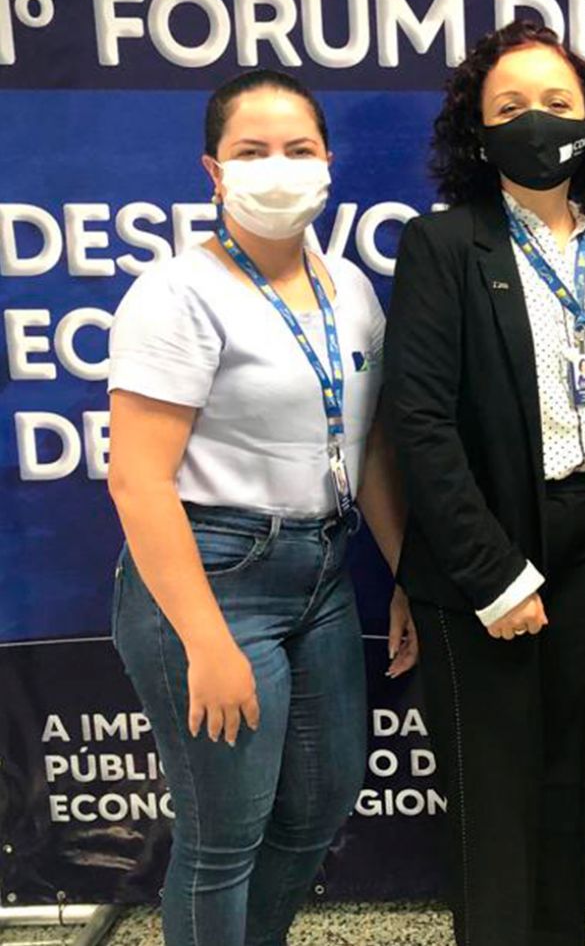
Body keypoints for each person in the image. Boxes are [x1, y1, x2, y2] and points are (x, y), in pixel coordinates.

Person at [107, 70, 416, 946]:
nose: (277, 168)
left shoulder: (350, 288)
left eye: (298, 149)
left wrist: (407, 575)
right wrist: (206, 644)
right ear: (214, 172)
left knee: (321, 801)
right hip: (212, 577)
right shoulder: (176, 294)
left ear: (328, 163)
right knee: (222, 836)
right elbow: (137, 480)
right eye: (252, 152)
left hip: (321, 573)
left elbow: (371, 450)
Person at [385, 20, 585, 946]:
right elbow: (420, 425)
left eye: (556, 103)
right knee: (494, 813)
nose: (535, 121)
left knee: (562, 788)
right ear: (477, 130)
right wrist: (493, 576)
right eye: (510, 107)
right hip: (486, 558)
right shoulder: (442, 245)